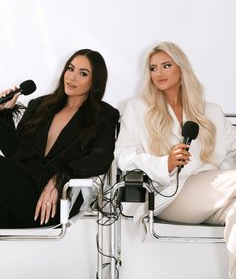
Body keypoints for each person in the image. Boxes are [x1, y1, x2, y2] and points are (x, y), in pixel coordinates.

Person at [115, 41, 236, 279]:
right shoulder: (137, 109)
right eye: (153, 68)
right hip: (171, 195)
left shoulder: (210, 111)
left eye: (166, 66)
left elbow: (232, 151)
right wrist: (165, 164)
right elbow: (124, 156)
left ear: (181, 69)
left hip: (216, 194)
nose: (158, 73)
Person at [0, 49, 119, 228]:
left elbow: (101, 158)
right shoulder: (39, 105)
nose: (71, 78)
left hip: (58, 200)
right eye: (70, 69)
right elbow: (15, 153)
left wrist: (60, 177)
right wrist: (5, 112)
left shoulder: (104, 115)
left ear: (95, 81)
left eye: (83, 73)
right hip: (21, 192)